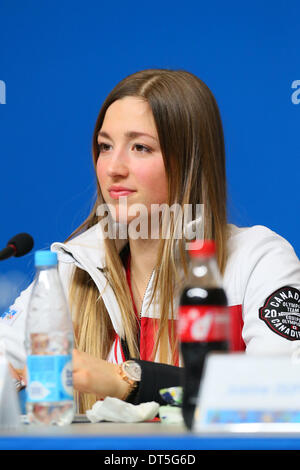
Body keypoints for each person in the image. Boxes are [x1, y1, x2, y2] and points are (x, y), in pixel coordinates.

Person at [1, 69, 300, 414]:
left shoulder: (257, 262)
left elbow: (283, 393)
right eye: (105, 146)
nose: (113, 167)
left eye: (140, 147)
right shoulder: (74, 267)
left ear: (190, 161)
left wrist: (128, 381)